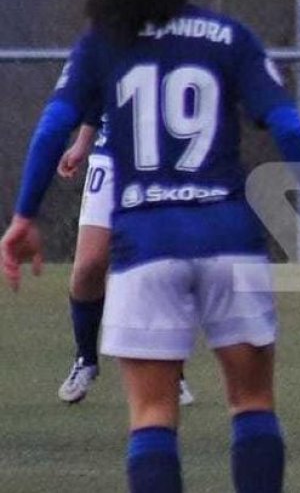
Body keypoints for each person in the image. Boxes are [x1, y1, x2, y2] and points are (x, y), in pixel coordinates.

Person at [1, 0, 300, 493]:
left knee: (152, 417)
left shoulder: (103, 44)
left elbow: (51, 128)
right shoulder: (230, 38)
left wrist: (24, 215)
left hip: (146, 248)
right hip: (229, 242)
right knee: (252, 404)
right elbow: (288, 127)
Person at [55, 117, 194, 406]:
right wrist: (82, 143)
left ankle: (172, 371)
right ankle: (86, 360)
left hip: (165, 160)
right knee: (89, 265)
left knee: (160, 264)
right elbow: (94, 90)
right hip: (109, 158)